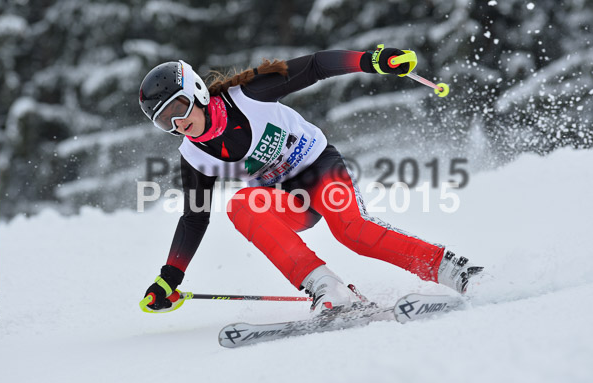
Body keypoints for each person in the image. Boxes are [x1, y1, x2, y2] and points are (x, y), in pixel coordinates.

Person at [138, 45, 483, 313]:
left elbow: (316, 65)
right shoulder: (194, 155)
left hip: (319, 168)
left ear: (197, 90)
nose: (178, 123)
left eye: (179, 107)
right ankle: (326, 288)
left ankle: (456, 271)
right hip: (286, 197)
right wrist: (170, 277)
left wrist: (372, 61)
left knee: (353, 231)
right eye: (164, 120)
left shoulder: (249, 95)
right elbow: (195, 217)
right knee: (241, 205)